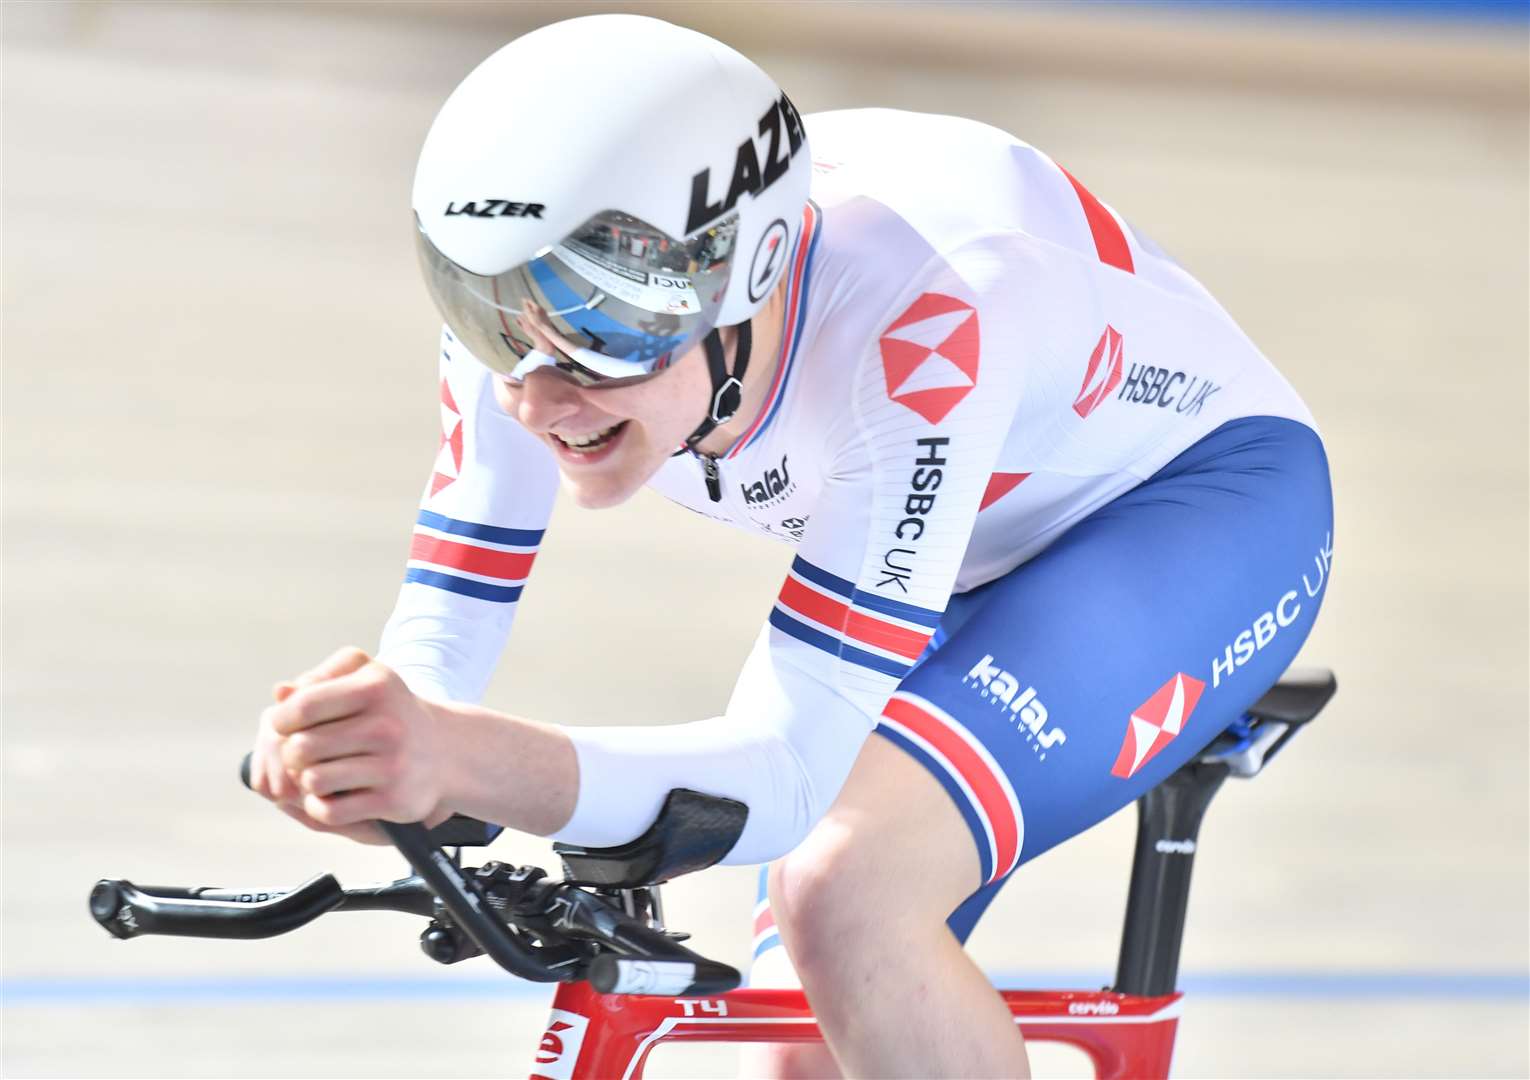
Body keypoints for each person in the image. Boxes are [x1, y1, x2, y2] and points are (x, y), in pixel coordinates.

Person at [249, 14, 1334, 1077]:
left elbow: (783, 776)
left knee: (848, 894)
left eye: (609, 326)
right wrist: (381, 756)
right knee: (802, 1031)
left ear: (753, 271)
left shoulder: (926, 318)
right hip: (954, 544)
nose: (539, 395)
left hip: (1196, 511)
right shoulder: (530, 306)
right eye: (487, 313)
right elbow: (440, 652)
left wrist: (462, 757)